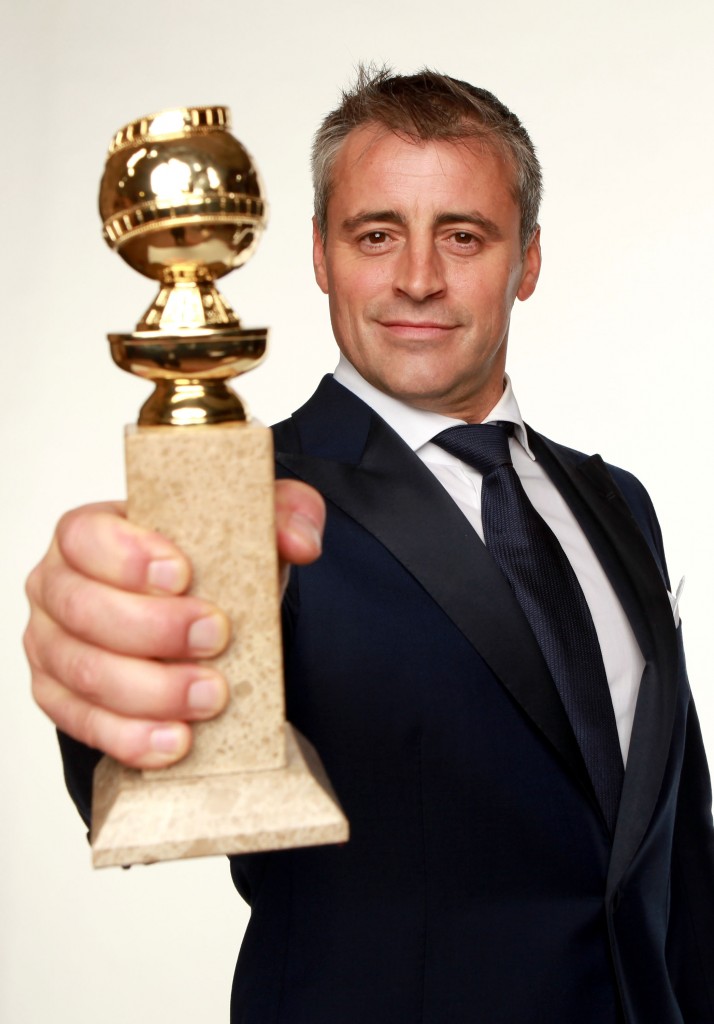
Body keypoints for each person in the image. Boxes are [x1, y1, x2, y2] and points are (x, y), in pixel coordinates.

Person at [25, 67, 714, 1023]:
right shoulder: (251, 501)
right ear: (319, 254)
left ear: (529, 260)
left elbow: (671, 845)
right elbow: (148, 737)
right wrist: (112, 677)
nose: (419, 278)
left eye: (463, 236)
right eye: (376, 234)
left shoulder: (618, 502)